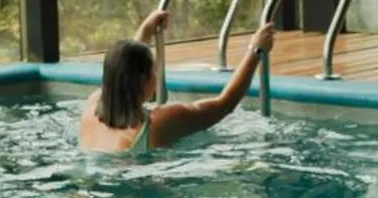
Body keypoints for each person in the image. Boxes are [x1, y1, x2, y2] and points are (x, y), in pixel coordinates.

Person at [79, 9, 279, 153]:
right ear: (144, 81)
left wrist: (147, 28)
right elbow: (224, 104)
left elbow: (124, 69)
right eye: (154, 70)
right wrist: (256, 50)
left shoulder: (92, 104)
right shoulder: (159, 123)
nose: (157, 76)